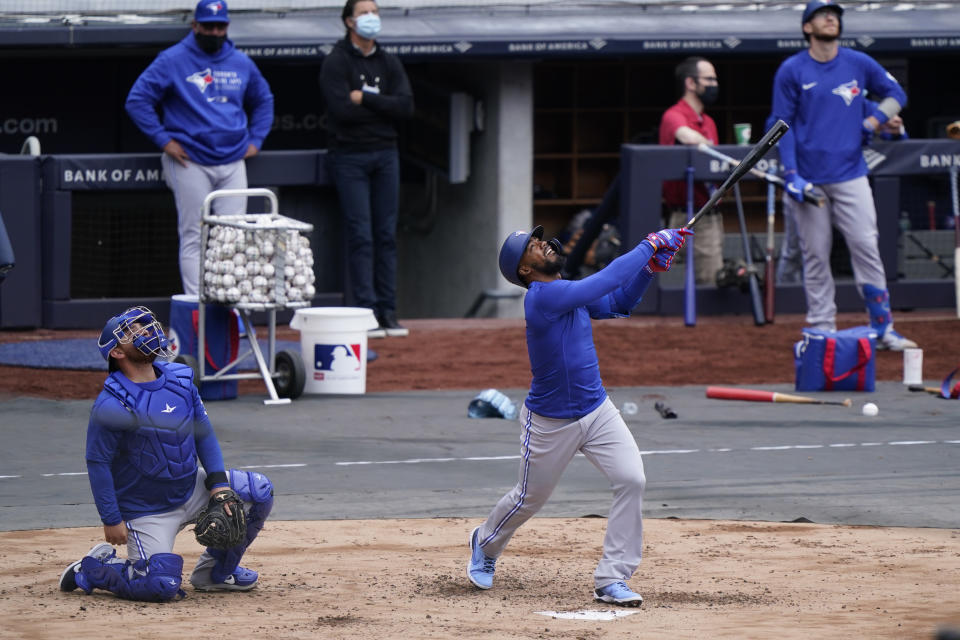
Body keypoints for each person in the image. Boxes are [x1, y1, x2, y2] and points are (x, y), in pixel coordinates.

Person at [466, 224, 692, 606]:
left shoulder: (567, 293)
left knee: (631, 479)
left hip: (597, 410)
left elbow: (619, 302)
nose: (543, 244)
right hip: (550, 424)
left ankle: (612, 578)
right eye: (533, 246)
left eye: (539, 239)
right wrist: (648, 247)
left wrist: (648, 270)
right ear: (525, 270)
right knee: (529, 499)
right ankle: (485, 544)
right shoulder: (542, 297)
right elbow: (603, 280)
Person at [58, 306, 274, 601]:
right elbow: (98, 463)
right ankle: (94, 568)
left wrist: (219, 484)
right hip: (146, 511)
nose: (147, 332)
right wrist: (111, 518)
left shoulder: (181, 380)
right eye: (133, 332)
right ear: (117, 353)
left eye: (146, 326)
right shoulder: (111, 405)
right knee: (160, 586)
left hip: (190, 489)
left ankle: (216, 573)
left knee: (259, 491)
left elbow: (204, 433)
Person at [770, 0, 916, 350]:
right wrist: (791, 173)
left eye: (834, 14)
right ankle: (822, 328)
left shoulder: (858, 62)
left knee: (866, 247)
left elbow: (897, 94)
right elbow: (780, 124)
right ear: (807, 27)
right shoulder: (792, 69)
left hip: (851, 173)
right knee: (816, 255)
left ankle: (882, 328)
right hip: (809, 178)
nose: (831, 17)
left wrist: (874, 120)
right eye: (822, 14)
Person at [125, 0, 274, 297]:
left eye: (220, 27)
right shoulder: (172, 59)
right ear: (195, 26)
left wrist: (256, 140)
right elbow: (137, 100)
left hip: (232, 160)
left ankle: (228, 308)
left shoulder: (240, 61)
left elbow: (264, 99)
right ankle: (196, 309)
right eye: (208, 26)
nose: (215, 32)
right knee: (196, 235)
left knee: (232, 238)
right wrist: (164, 140)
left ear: (227, 27)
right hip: (190, 160)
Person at [319, 0, 414, 338]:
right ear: (349, 21)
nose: (371, 18)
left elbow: (405, 108)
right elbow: (342, 110)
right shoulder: (336, 61)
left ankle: (389, 312)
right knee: (362, 236)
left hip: (386, 154)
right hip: (349, 156)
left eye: (375, 12)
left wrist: (367, 98)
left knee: (386, 235)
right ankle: (367, 312)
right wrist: (379, 106)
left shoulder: (388, 61)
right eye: (364, 13)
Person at [776, 110, 907, 285]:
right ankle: (787, 296)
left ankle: (876, 300)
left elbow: (896, 140)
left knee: (866, 244)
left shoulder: (863, 107)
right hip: (809, 184)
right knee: (796, 249)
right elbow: (780, 130)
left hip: (849, 189)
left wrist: (896, 131)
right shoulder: (807, 106)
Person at [659, 56, 723, 285]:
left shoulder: (709, 121)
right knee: (669, 285)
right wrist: (707, 145)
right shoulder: (674, 114)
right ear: (691, 83)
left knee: (710, 281)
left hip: (710, 213)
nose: (714, 84)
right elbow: (685, 136)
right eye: (709, 79)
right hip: (683, 212)